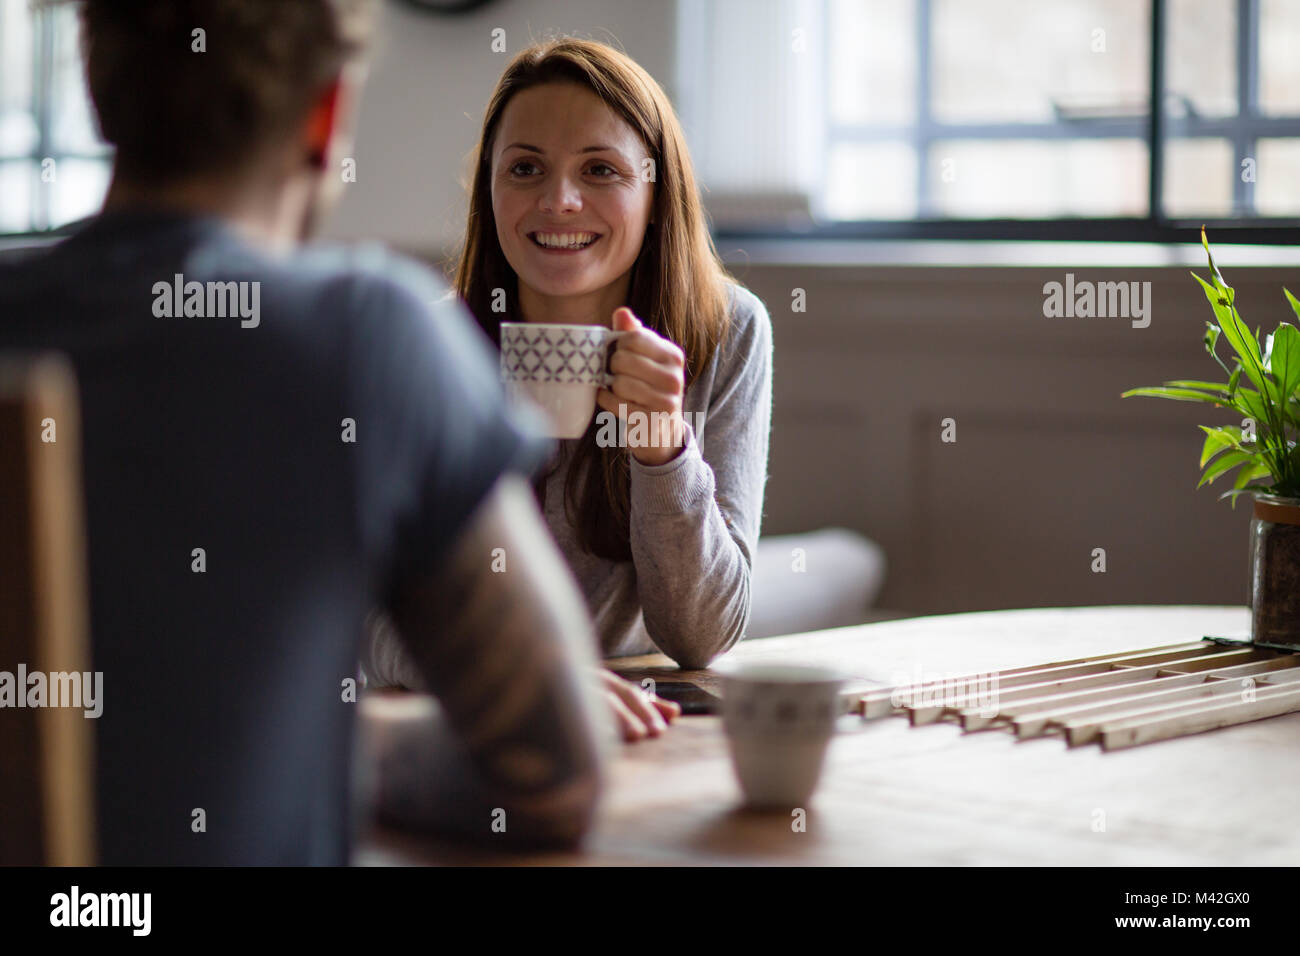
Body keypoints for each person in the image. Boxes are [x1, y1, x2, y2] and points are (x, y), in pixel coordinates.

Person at [0, 0, 612, 864]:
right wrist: (333, 738)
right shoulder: (368, 338)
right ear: (329, 117)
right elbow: (556, 775)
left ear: (103, 96)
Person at [362, 39, 774, 740]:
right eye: (525, 168)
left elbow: (702, 637)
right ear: (489, 188)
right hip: (477, 719)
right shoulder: (428, 346)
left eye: (600, 170)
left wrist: (663, 448)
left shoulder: (725, 331)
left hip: (643, 723)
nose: (559, 201)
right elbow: (368, 617)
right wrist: (526, 669)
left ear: (656, 192)